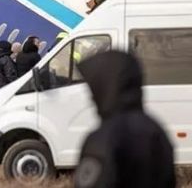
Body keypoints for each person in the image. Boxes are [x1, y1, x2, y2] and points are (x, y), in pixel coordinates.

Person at [74, 51, 175, 188]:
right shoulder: (156, 130)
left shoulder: (104, 138)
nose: (91, 97)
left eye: (94, 89)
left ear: (107, 87)